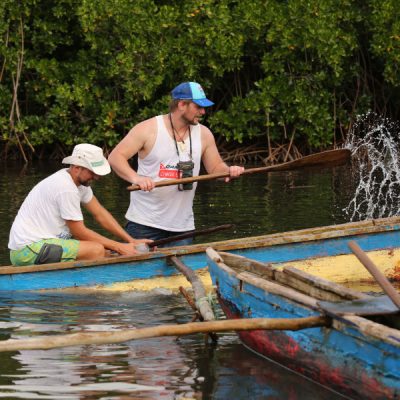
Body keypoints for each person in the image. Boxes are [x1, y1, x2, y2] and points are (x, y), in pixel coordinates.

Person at [108, 81, 244, 246]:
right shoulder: (148, 129)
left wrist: (229, 171)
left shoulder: (204, 134)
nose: (203, 111)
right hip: (144, 224)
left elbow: (216, 168)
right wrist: (136, 178)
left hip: (183, 227)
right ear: (181, 105)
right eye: (198, 107)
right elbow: (115, 157)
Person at [8, 143, 151, 266]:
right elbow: (79, 232)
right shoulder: (65, 188)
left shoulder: (79, 184)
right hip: (27, 250)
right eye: (92, 172)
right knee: (96, 250)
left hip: (43, 245)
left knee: (104, 250)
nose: (96, 177)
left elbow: (99, 213)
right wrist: (120, 247)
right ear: (77, 167)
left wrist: (130, 240)